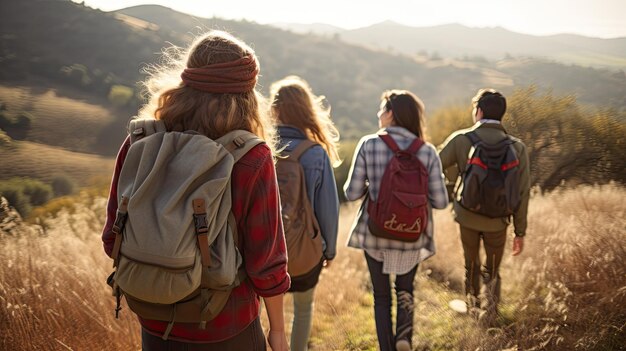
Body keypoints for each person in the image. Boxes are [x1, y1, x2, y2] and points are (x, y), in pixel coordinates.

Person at [101, 30, 290, 351]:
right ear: (247, 93)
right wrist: (278, 332)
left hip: (154, 319)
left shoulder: (139, 142)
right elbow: (266, 262)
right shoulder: (250, 157)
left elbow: (112, 239)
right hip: (225, 322)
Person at [344, 90, 448, 351]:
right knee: (405, 290)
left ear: (390, 113)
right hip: (412, 235)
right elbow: (441, 202)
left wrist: (373, 185)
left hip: (375, 234)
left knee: (381, 297)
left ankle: (386, 347)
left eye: (382, 109)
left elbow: (351, 193)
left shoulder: (369, 144)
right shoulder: (427, 151)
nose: (379, 114)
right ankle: (404, 337)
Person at [438, 88, 530, 323]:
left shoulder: (461, 139)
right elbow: (522, 193)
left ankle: (473, 308)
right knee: (493, 268)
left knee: (471, 263)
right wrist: (520, 232)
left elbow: (434, 164)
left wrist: (452, 179)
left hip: (467, 216)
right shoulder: (517, 147)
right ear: (501, 114)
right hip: (498, 221)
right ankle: (492, 312)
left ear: (478, 111)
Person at [269, 75, 340, 351]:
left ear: (274, 109)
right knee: (303, 307)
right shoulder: (315, 154)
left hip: (263, 249)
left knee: (264, 310)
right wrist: (328, 251)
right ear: (305, 110)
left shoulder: (259, 147)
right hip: (305, 251)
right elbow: (328, 210)